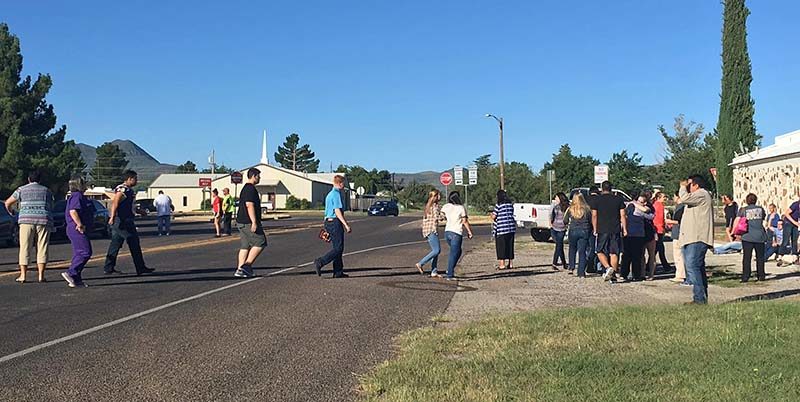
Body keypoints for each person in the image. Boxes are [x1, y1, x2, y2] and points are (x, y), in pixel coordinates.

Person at [4, 170, 54, 283]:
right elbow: (51, 206)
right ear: (40, 179)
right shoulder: (47, 190)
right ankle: (41, 275)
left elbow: (8, 203)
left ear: (28, 179)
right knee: (42, 247)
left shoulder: (21, 189)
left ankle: (23, 275)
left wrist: (12, 212)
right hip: (43, 220)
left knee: (25, 247)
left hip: (26, 220)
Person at [104, 170, 154, 276]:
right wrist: (112, 217)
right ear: (129, 179)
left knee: (115, 244)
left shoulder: (129, 191)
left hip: (126, 219)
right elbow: (115, 202)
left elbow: (129, 206)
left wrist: (140, 211)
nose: (137, 181)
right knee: (133, 241)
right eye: (135, 178)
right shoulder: (123, 189)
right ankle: (140, 268)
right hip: (122, 221)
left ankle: (108, 267)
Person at [680, 175, 714, 305]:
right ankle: (700, 297)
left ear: (696, 185)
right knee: (697, 267)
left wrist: (683, 186)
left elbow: (684, 198)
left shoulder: (702, 194)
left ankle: (700, 298)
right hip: (690, 237)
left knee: (692, 266)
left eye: (689, 185)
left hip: (698, 237)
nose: (687, 188)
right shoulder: (697, 197)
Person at [314, 175, 352, 278]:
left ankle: (338, 271)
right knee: (339, 248)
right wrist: (346, 225)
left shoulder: (329, 194)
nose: (344, 186)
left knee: (336, 247)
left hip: (328, 221)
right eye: (343, 183)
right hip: (335, 222)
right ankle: (320, 262)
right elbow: (337, 211)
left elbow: (327, 211)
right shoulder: (336, 194)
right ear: (339, 183)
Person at [592, 181, 627, 283]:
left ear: (601, 189)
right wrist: (624, 228)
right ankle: (614, 276)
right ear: (611, 189)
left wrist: (595, 228)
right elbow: (623, 215)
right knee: (614, 252)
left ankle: (608, 268)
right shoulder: (619, 199)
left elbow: (594, 215)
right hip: (615, 228)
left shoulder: (597, 200)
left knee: (599, 250)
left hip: (602, 228)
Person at [61, 176, 93, 288]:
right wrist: (79, 224)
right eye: (84, 183)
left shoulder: (78, 196)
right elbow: (73, 211)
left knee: (78, 252)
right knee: (85, 252)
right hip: (77, 228)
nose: (86, 185)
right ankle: (71, 272)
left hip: (77, 228)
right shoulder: (77, 196)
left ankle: (76, 279)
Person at [234, 168, 267, 278]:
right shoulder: (250, 189)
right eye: (258, 176)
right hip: (248, 222)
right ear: (253, 176)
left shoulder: (246, 188)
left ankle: (240, 270)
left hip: (241, 221)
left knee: (245, 245)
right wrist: (254, 222)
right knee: (261, 242)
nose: (259, 178)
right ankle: (246, 266)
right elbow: (249, 205)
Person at [439, 191, 473, 280]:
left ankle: (450, 269)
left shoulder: (446, 206)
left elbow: (441, 216)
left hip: (447, 232)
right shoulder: (461, 208)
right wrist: (469, 231)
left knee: (458, 251)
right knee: (453, 253)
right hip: (456, 233)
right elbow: (464, 221)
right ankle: (449, 274)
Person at [733, 193, 767, 282]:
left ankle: (746, 276)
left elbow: (737, 220)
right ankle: (761, 275)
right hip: (760, 236)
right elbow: (763, 218)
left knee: (747, 257)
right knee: (760, 257)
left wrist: (734, 232)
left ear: (747, 200)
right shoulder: (760, 209)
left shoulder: (743, 210)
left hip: (747, 236)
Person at [621, 192, 652, 282]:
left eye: (642, 202)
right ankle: (629, 274)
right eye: (639, 201)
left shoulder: (636, 209)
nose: (640, 203)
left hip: (637, 235)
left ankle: (631, 274)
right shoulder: (635, 209)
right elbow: (650, 216)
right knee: (629, 256)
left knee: (634, 256)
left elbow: (650, 216)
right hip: (631, 234)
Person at [416, 189, 443, 277]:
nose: (440, 197)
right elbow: (437, 217)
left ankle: (434, 271)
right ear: (435, 197)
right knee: (437, 250)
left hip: (427, 230)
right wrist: (444, 216)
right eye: (438, 195)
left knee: (435, 251)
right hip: (432, 230)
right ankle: (420, 263)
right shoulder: (435, 206)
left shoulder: (428, 206)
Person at [564, 193, 591, 277]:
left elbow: (565, 220)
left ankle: (571, 267)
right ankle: (581, 272)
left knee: (572, 249)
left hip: (573, 230)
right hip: (584, 231)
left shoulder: (570, 209)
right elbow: (590, 220)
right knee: (582, 252)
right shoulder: (587, 209)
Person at [666, 191, 688, 284]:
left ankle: (680, 275)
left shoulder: (681, 207)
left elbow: (678, 221)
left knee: (678, 255)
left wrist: (668, 221)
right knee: (681, 255)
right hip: (679, 233)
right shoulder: (685, 206)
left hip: (678, 233)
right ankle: (683, 273)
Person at [491, 190, 516, 270]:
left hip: (502, 229)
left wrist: (491, 215)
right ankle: (510, 263)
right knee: (510, 246)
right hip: (511, 228)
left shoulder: (498, 205)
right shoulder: (510, 204)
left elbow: (494, 216)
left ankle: (502, 264)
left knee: (501, 247)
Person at [652, 192, 672, 274]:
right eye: (663, 197)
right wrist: (663, 227)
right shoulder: (659, 205)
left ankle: (665, 265)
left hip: (657, 228)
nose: (665, 198)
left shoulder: (655, 204)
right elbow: (659, 218)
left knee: (659, 249)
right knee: (659, 248)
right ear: (658, 197)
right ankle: (665, 266)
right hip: (658, 229)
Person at [550, 192, 569, 271]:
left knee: (558, 246)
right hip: (554, 228)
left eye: (556, 197)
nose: (555, 199)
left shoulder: (567, 207)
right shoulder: (555, 206)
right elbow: (552, 215)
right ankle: (564, 263)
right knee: (559, 246)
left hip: (562, 229)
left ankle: (554, 263)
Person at [585, 186, 601, 274]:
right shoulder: (599, 200)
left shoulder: (585, 199)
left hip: (584, 225)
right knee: (594, 246)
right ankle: (593, 265)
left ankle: (585, 264)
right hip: (596, 225)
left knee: (586, 247)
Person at [782, 195, 800, 263]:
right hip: (788, 222)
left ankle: (794, 256)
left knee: (794, 240)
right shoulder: (795, 204)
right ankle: (781, 254)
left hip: (795, 224)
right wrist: (794, 222)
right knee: (786, 239)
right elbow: (786, 213)